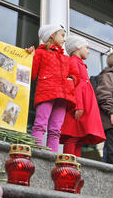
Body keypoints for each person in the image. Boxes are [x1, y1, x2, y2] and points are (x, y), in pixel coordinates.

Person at [30, 24, 79, 153]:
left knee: (56, 129)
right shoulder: (40, 53)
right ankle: (36, 153)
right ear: (52, 35)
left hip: (63, 96)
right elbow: (32, 74)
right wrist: (28, 57)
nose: (64, 39)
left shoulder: (66, 58)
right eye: (62, 35)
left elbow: (75, 75)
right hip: (46, 92)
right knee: (40, 124)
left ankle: (51, 156)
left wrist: (72, 80)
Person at [60, 35, 106, 157]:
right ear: (77, 47)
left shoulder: (80, 63)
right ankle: (69, 164)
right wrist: (78, 105)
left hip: (84, 104)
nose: (88, 51)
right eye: (86, 47)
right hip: (78, 105)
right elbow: (76, 85)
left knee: (79, 136)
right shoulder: (73, 62)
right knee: (72, 135)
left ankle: (76, 166)